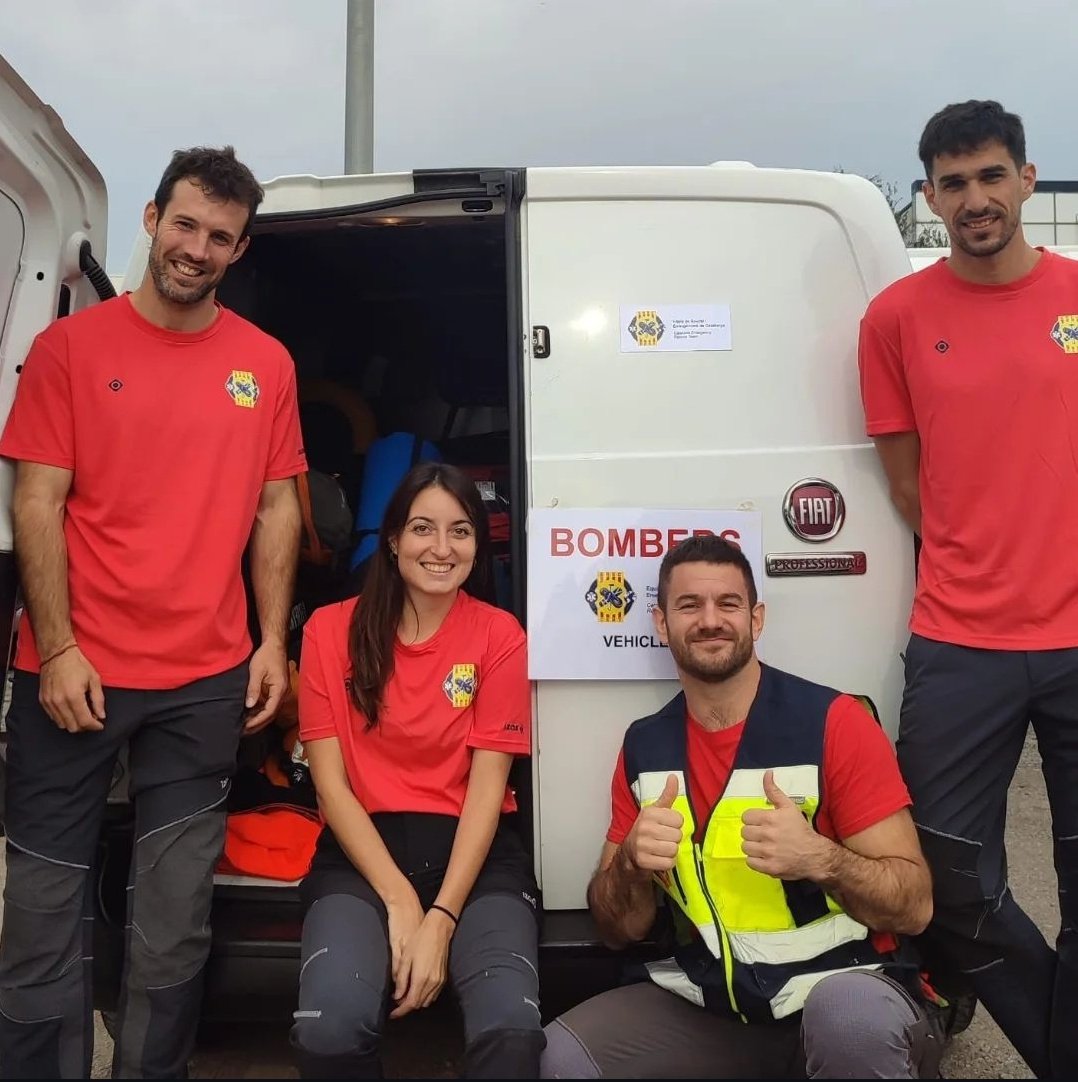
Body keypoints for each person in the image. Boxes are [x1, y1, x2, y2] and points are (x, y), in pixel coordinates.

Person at [0, 146, 305, 1078]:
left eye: (219, 236)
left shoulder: (265, 364)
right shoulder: (69, 350)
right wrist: (58, 650)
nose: (196, 248)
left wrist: (271, 642)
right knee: (41, 917)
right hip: (72, 675)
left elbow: (278, 507)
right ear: (151, 219)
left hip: (204, 681)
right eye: (185, 224)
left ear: (239, 250)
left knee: (174, 925)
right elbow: (36, 501)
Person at [541, 535, 941, 1079]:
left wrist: (821, 859)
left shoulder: (834, 722)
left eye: (728, 603)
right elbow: (619, 930)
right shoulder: (645, 746)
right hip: (711, 1003)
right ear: (661, 624)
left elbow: (914, 906)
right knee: (557, 1059)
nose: (710, 620)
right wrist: (630, 865)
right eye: (689, 605)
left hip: (842, 988)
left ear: (756, 619)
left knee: (848, 1024)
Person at [858, 99, 1078, 1079]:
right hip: (960, 639)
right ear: (930, 196)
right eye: (954, 183)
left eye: (992, 175)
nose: (975, 198)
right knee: (946, 879)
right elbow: (909, 488)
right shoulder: (896, 319)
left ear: (1026, 178)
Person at [289, 461, 543, 1079]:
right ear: (393, 539)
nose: (441, 548)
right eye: (423, 528)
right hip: (362, 858)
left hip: (474, 862)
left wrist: (442, 917)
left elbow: (487, 791)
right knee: (328, 1032)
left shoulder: (500, 635)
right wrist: (401, 900)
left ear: (478, 546)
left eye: (461, 531)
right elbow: (331, 787)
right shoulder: (329, 630)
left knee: (511, 1033)